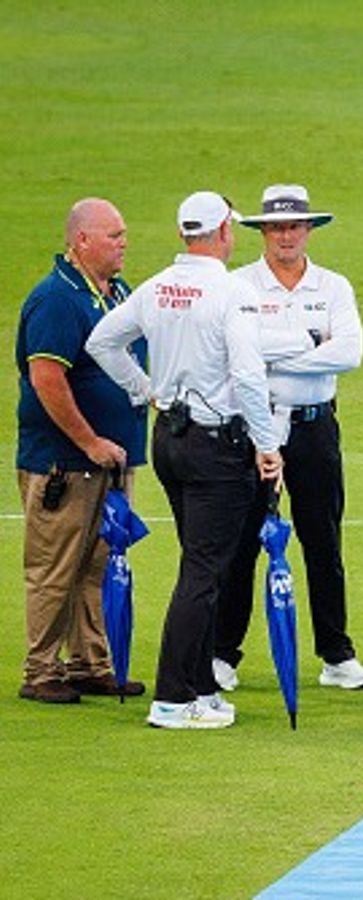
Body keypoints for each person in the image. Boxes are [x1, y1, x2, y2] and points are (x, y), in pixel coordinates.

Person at [87, 191, 281, 730]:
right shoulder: (232, 292)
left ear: (183, 233)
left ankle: (199, 688)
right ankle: (173, 697)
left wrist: (146, 390)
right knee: (203, 570)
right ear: (222, 233)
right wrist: (268, 446)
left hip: (169, 438)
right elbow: (246, 375)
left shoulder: (156, 288)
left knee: (202, 563)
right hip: (216, 446)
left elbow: (104, 342)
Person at [215, 185, 363, 692]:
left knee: (323, 541)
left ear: (308, 230)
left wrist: (272, 355)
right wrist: (312, 343)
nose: (286, 235)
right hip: (253, 427)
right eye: (276, 227)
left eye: (294, 226)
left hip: (313, 426)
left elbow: (349, 353)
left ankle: (336, 654)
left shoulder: (333, 287)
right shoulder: (238, 285)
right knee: (240, 542)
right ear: (262, 232)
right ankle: (222, 653)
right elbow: (232, 354)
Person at [14, 198, 148, 704]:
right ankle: (42, 670)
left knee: (97, 564)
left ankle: (91, 663)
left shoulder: (116, 293)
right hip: (65, 464)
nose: (123, 243)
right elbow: (46, 378)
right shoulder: (56, 300)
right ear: (81, 241)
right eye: (114, 235)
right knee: (54, 568)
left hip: (109, 461)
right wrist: (89, 441)